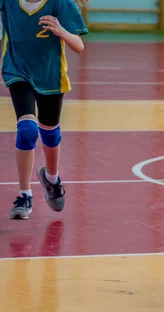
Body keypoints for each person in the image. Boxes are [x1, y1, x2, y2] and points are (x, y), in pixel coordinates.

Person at [1, 0, 89, 220]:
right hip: (17, 71)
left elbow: (79, 46)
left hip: (50, 75)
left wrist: (61, 31)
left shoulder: (60, 3)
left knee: (50, 132)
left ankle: (51, 178)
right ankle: (24, 194)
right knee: (28, 130)